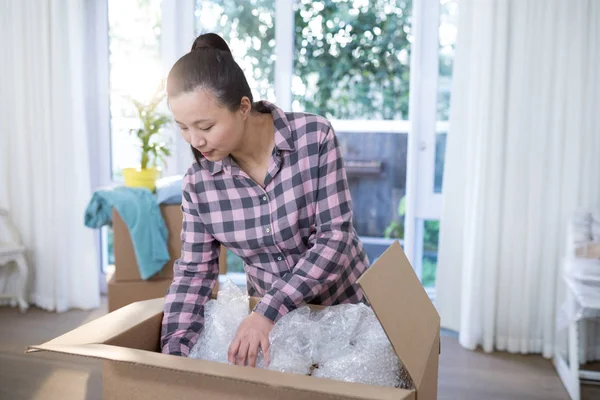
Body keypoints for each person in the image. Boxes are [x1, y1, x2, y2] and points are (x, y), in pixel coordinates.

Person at [161, 33, 370, 368]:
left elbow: (335, 238)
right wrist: (173, 355)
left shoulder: (313, 138)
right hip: (277, 332)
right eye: (183, 127)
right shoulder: (199, 184)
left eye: (205, 126)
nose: (195, 140)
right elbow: (194, 274)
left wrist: (269, 309)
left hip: (344, 314)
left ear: (243, 107)